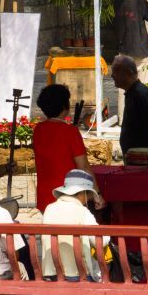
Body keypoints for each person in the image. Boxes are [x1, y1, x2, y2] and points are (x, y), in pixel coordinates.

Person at [32, 84, 103, 212]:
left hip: (45, 195)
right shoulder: (70, 131)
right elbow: (84, 166)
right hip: (69, 195)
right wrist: (97, 193)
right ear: (64, 105)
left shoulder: (38, 130)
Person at [41, 169, 109, 282]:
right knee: (106, 265)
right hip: (77, 274)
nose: (89, 198)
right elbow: (100, 242)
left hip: (51, 272)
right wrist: (107, 236)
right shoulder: (82, 211)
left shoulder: (49, 208)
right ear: (82, 193)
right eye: (88, 194)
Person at [112, 0, 148, 122]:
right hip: (140, 48)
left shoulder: (117, 0)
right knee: (143, 83)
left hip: (123, 47)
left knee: (122, 83)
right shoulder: (139, 1)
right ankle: (145, 117)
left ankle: (123, 118)